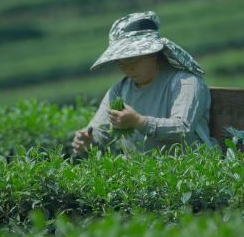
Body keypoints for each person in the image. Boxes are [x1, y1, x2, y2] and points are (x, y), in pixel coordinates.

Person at [72, 10, 215, 155]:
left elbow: (182, 129)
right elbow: (98, 131)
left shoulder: (185, 83)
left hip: (187, 170)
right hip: (141, 173)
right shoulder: (120, 90)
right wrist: (88, 140)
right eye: (120, 63)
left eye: (132, 59)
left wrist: (139, 122)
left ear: (152, 53)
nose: (128, 68)